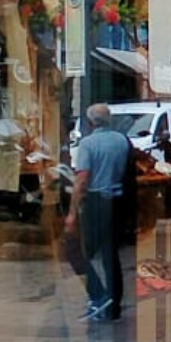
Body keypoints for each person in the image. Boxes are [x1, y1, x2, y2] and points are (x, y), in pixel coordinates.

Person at [67, 102, 131, 322]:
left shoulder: (88, 144)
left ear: (90, 121)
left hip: (96, 201)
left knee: (78, 252)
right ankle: (114, 305)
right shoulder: (122, 141)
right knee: (110, 255)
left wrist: (72, 213)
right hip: (118, 200)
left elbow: (82, 178)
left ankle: (98, 295)